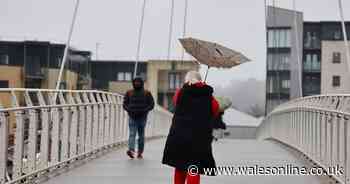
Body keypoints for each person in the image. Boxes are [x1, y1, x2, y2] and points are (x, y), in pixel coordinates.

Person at [162, 71, 220, 184]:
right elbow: (215, 110)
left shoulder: (180, 92)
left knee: (179, 165)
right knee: (194, 167)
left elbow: (175, 102)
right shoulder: (209, 96)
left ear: (187, 80)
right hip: (199, 137)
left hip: (179, 135)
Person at [123, 76, 154, 159]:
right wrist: (129, 110)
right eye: (135, 82)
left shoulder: (147, 93)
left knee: (141, 135)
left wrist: (145, 110)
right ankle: (131, 150)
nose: (136, 83)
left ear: (141, 83)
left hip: (142, 117)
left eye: (138, 82)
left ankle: (140, 152)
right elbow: (125, 104)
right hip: (132, 116)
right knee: (132, 134)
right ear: (133, 83)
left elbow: (152, 104)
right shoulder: (129, 93)